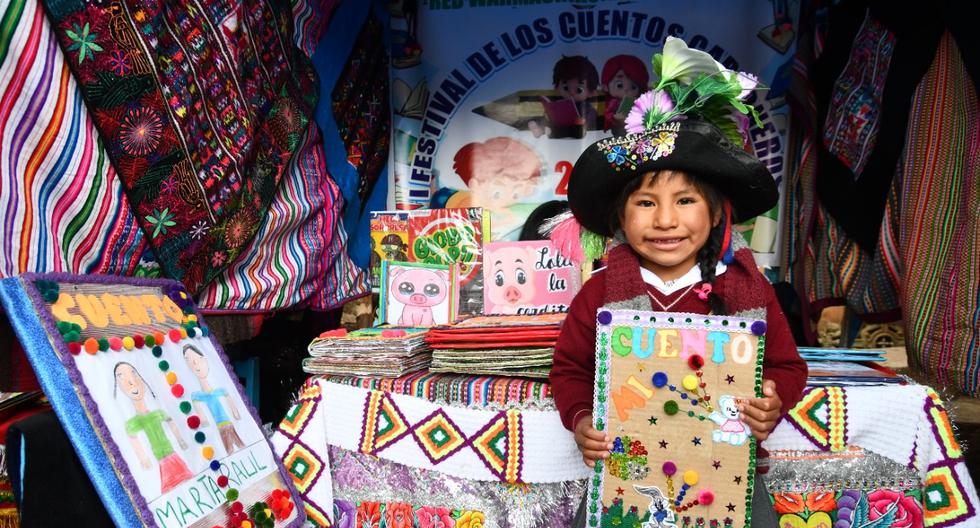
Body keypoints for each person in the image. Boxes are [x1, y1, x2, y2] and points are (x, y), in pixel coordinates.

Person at [549, 36, 807, 528]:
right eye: (646, 203)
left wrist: (773, 396)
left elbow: (786, 365)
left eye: (685, 201)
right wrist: (583, 419)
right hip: (625, 476)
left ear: (716, 215)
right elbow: (570, 371)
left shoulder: (746, 290)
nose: (666, 220)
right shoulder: (598, 295)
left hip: (728, 473)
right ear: (620, 218)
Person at [114, 362, 192, 493]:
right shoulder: (133, 422)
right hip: (161, 460)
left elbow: (171, 421)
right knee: (172, 489)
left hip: (173, 455)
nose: (131, 381)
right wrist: (142, 458)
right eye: (121, 377)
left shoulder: (158, 413)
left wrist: (180, 439)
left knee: (187, 481)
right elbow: (133, 438)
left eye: (133, 373)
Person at [600, 55, 648, 135]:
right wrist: (615, 118)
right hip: (618, 132)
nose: (627, 90)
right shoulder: (612, 103)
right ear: (605, 87)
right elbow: (608, 115)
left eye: (633, 87)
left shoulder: (639, 102)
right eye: (619, 85)